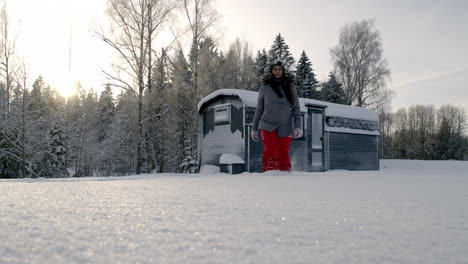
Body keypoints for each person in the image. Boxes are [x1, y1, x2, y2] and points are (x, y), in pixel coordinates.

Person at [251, 61, 303, 172]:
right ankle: (269, 173)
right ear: (271, 71)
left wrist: (298, 126)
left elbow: (296, 108)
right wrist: (254, 129)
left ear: (283, 71)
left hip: (286, 125)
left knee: (283, 151)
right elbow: (259, 108)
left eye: (280, 69)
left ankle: (284, 175)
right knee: (270, 149)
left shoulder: (290, 86)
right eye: (275, 69)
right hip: (267, 124)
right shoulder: (265, 87)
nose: (277, 71)